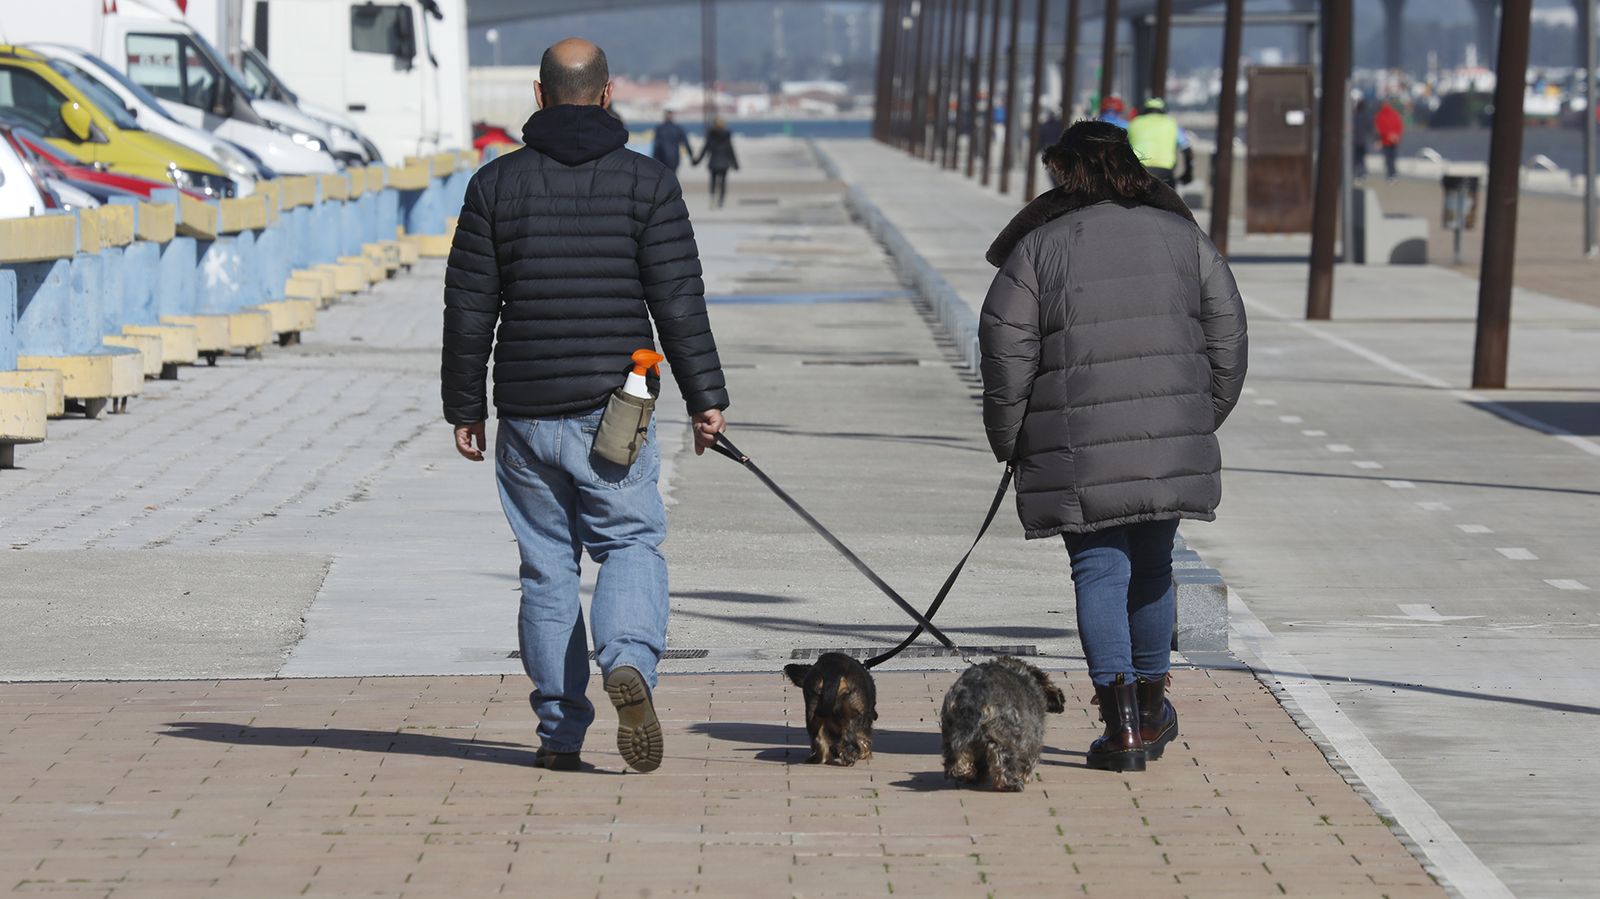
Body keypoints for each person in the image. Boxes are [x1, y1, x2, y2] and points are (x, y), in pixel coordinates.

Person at [442, 38, 730, 774]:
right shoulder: (649, 183)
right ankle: (628, 659)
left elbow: (470, 308)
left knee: (546, 569)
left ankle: (560, 731)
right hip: (617, 414)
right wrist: (707, 400)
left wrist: (463, 405)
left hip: (528, 410)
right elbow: (679, 302)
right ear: (608, 95)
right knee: (630, 544)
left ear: (539, 96)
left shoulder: (494, 186)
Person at [977, 121, 1247, 773]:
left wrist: (1010, 439)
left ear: (1067, 173)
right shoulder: (1186, 239)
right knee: (1154, 567)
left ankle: (1121, 728)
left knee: (1100, 569)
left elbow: (1004, 352)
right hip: (1170, 436)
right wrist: (1196, 416)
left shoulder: (1039, 248)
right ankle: (1152, 712)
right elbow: (1229, 340)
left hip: (1076, 445)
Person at [1126, 97, 1193, 187]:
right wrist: (1188, 174)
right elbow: (1187, 150)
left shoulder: (1134, 123)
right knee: (1169, 199)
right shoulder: (1172, 124)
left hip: (1139, 170)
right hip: (1165, 171)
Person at [693, 118, 739, 207]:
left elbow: (704, 150)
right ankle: (721, 200)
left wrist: (697, 161)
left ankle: (713, 199)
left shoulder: (711, 136)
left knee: (713, 181)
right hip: (724, 163)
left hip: (713, 162)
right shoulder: (726, 136)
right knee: (723, 182)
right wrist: (735, 164)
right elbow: (731, 151)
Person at [1376, 99, 1404, 181]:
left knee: (1388, 159)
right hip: (1393, 140)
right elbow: (1399, 126)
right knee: (1392, 158)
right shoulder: (1394, 114)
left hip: (1386, 141)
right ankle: (1393, 174)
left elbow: (1380, 128)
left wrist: (1387, 136)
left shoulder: (1380, 115)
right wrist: (1396, 136)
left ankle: (1391, 174)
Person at [1352, 98, 1373, 181]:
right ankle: (1362, 174)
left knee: (1357, 159)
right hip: (1362, 141)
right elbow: (1369, 128)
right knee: (1361, 159)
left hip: (1356, 141)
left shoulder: (1355, 116)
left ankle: (1358, 174)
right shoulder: (1365, 116)